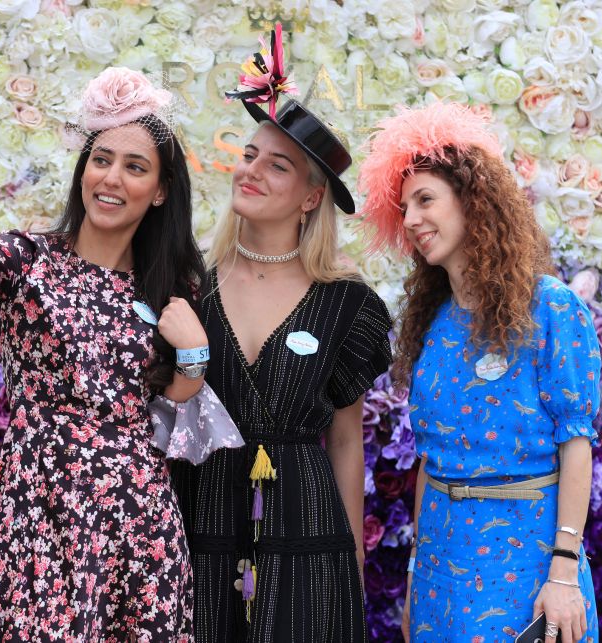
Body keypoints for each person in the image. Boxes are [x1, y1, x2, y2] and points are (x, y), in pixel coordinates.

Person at [0, 67, 242, 642]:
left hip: (139, 522)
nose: (111, 177)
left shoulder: (174, 287)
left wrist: (194, 354)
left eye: (135, 166)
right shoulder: (29, 260)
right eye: (101, 159)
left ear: (162, 189)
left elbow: (175, 415)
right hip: (41, 517)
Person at [170, 25, 393, 643]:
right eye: (249, 157)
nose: (253, 172)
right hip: (201, 523)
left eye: (278, 166)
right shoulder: (189, 286)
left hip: (309, 536)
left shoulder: (348, 303)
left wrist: (351, 564)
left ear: (310, 197)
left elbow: (347, 443)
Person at [357, 102, 600, 643]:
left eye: (426, 200)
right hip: (441, 569)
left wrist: (563, 573)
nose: (412, 219)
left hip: (528, 563)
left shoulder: (550, 307)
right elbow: (429, 460)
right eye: (405, 208)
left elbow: (576, 440)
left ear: (473, 201)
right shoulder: (436, 322)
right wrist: (417, 576)